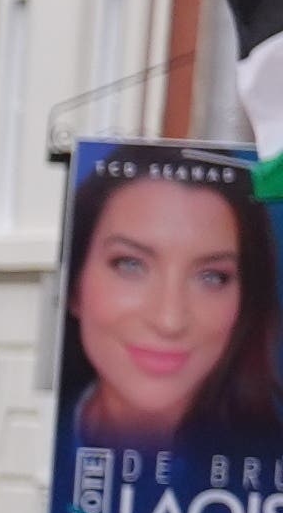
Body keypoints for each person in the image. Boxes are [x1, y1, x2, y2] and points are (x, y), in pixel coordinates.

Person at [60, 152, 283, 447]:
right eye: (130, 264)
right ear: (75, 285)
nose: (170, 320)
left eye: (212, 277)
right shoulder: (37, 444)